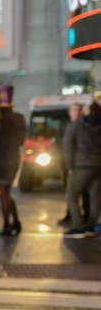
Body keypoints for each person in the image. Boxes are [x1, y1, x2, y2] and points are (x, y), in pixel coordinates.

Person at [62, 100, 101, 237]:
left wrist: (69, 166)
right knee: (95, 197)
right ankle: (91, 226)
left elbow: (68, 145)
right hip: (98, 166)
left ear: (88, 111)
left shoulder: (77, 124)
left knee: (72, 194)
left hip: (81, 165)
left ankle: (78, 226)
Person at [0, 85, 26, 236]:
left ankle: (8, 224)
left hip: (1, 159)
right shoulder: (19, 118)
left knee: (4, 193)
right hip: (13, 158)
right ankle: (16, 221)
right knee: (6, 192)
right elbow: (21, 141)